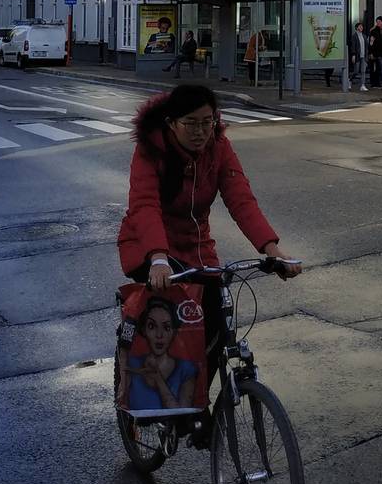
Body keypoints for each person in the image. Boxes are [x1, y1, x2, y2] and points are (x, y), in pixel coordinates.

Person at [117, 84, 301, 377]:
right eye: (190, 123)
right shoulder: (151, 148)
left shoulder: (218, 148)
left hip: (197, 248)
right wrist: (159, 257)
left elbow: (240, 199)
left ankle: (198, 399)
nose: (200, 131)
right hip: (148, 248)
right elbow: (144, 205)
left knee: (215, 324)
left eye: (207, 122)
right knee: (172, 324)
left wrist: (272, 249)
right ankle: (171, 404)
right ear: (171, 123)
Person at [349, 20, 368, 90]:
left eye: (362, 26)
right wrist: (353, 55)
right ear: (357, 28)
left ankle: (362, 85)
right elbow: (353, 46)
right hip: (357, 56)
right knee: (356, 71)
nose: (361, 27)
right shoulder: (354, 36)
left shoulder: (364, 36)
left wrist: (366, 56)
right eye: (360, 26)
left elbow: (366, 46)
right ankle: (350, 80)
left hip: (363, 56)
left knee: (363, 71)